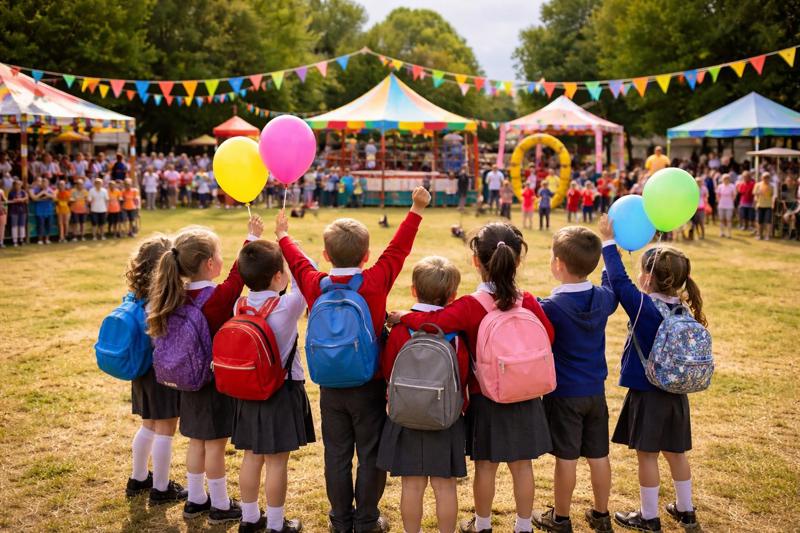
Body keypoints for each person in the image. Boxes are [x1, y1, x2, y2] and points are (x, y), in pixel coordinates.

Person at [275, 186, 431, 533]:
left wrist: (283, 235)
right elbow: (398, 249)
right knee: (370, 453)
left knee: (337, 454)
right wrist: (416, 209)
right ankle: (367, 520)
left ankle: (340, 519)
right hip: (369, 383)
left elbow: (298, 262)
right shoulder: (374, 281)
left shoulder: (316, 283)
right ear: (367, 255)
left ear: (326, 255)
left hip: (330, 386)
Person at [393, 222, 555, 533]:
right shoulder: (528, 300)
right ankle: (523, 526)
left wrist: (403, 317)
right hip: (526, 394)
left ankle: (482, 524)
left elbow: (434, 322)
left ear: (476, 261)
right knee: (523, 466)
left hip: (486, 397)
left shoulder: (470, 305)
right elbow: (549, 335)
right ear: (517, 261)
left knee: (486, 466)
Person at [147, 217, 263, 525]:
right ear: (210, 264)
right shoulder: (216, 298)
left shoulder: (174, 295)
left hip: (185, 381)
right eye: (220, 255)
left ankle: (196, 499)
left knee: (196, 441)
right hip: (212, 382)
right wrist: (251, 238)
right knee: (214, 445)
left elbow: (233, 274)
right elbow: (238, 276)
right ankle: (220, 505)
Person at [598, 215, 704, 532]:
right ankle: (686, 511)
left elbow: (617, 281)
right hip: (676, 394)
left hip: (649, 393)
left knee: (647, 456)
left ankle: (648, 516)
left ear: (648, 277)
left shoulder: (645, 307)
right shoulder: (682, 308)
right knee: (676, 453)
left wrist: (608, 240)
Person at [533, 227, 617, 533]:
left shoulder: (551, 307)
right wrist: (609, 248)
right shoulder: (604, 299)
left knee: (566, 459)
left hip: (565, 394)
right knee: (599, 456)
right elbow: (612, 282)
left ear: (558, 264)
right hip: (596, 393)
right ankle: (601, 514)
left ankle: (561, 518)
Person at [377, 257, 469, 533]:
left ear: (413, 290)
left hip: (405, 416)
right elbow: (462, 375)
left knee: (412, 485)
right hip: (445, 417)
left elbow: (387, 371)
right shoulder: (455, 334)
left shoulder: (401, 330)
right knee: (445, 485)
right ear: (452, 296)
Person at [232, 240, 315, 533]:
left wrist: (254, 242)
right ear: (279, 276)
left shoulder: (239, 304)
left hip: (248, 390)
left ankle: (250, 518)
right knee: (277, 461)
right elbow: (309, 276)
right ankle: (277, 525)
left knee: (251, 456)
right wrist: (291, 248)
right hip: (281, 390)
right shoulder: (287, 304)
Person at [124, 235, 185, 504]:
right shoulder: (166, 297)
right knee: (165, 430)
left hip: (142, 370)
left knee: (148, 425)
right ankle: (161, 488)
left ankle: (138, 478)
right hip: (163, 370)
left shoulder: (137, 294)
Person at [30, 177, 55, 245]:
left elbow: (54, 196)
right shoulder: (36, 189)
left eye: (46, 183)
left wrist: (47, 194)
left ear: (48, 184)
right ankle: (40, 240)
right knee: (40, 225)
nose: (44, 184)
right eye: (43, 183)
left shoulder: (50, 189)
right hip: (40, 211)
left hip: (49, 210)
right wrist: (42, 193)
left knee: (48, 225)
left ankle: (47, 239)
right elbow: (34, 198)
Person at [754, 172, 774, 241]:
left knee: (768, 221)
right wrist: (756, 201)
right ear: (762, 178)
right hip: (760, 205)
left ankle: (767, 235)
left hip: (768, 205)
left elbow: (773, 195)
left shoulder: (771, 186)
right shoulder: (758, 185)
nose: (766, 179)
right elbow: (755, 194)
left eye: (767, 177)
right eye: (765, 177)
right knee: (759, 221)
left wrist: (773, 204)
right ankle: (759, 235)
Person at [8, 179, 28, 246]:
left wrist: (22, 199)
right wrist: (20, 200)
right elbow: (11, 200)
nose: (18, 186)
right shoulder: (11, 193)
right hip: (14, 211)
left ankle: (21, 239)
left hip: (22, 210)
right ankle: (15, 240)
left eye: (19, 184)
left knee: (22, 225)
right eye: (17, 184)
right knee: (14, 226)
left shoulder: (23, 192)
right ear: (14, 185)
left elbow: (26, 199)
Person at [716, 174, 736, 238]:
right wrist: (719, 201)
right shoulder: (720, 186)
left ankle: (729, 233)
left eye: (727, 178)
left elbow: (734, 195)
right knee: (721, 219)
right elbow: (717, 195)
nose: (726, 180)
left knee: (728, 219)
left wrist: (731, 201)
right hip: (721, 205)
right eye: (724, 178)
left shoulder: (732, 186)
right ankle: (722, 232)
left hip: (729, 205)